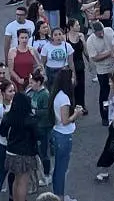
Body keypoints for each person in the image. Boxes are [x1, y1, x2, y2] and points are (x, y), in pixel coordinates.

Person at [50, 67, 83, 201]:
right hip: (63, 135)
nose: (74, 80)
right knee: (62, 169)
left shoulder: (57, 95)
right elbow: (65, 121)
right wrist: (76, 114)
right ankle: (60, 196)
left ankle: (57, 194)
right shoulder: (64, 98)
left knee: (59, 167)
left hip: (58, 133)